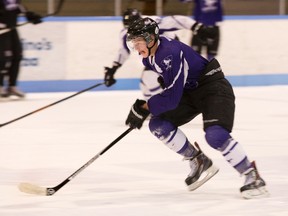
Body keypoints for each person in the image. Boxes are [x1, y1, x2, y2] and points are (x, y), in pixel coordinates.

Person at [124, 17, 269, 199]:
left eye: (138, 42)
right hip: (191, 91)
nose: (136, 47)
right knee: (159, 124)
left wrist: (145, 106)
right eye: (133, 43)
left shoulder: (170, 52)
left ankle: (252, 176)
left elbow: (171, 99)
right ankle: (198, 161)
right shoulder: (149, 58)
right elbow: (174, 84)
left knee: (215, 135)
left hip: (212, 87)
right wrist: (150, 104)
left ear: (151, 38)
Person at [104, 8, 215, 99]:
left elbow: (175, 20)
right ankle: (154, 108)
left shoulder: (150, 23)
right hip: (155, 55)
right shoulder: (125, 34)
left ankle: (167, 106)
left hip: (169, 52)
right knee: (145, 84)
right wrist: (113, 68)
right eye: (128, 26)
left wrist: (196, 27)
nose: (133, 30)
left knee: (149, 78)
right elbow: (123, 51)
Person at [0, 0, 42, 98]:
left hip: (12, 29)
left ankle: (12, 86)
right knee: (2, 59)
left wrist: (30, 16)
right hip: (1, 30)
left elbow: (19, 7)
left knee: (17, 56)